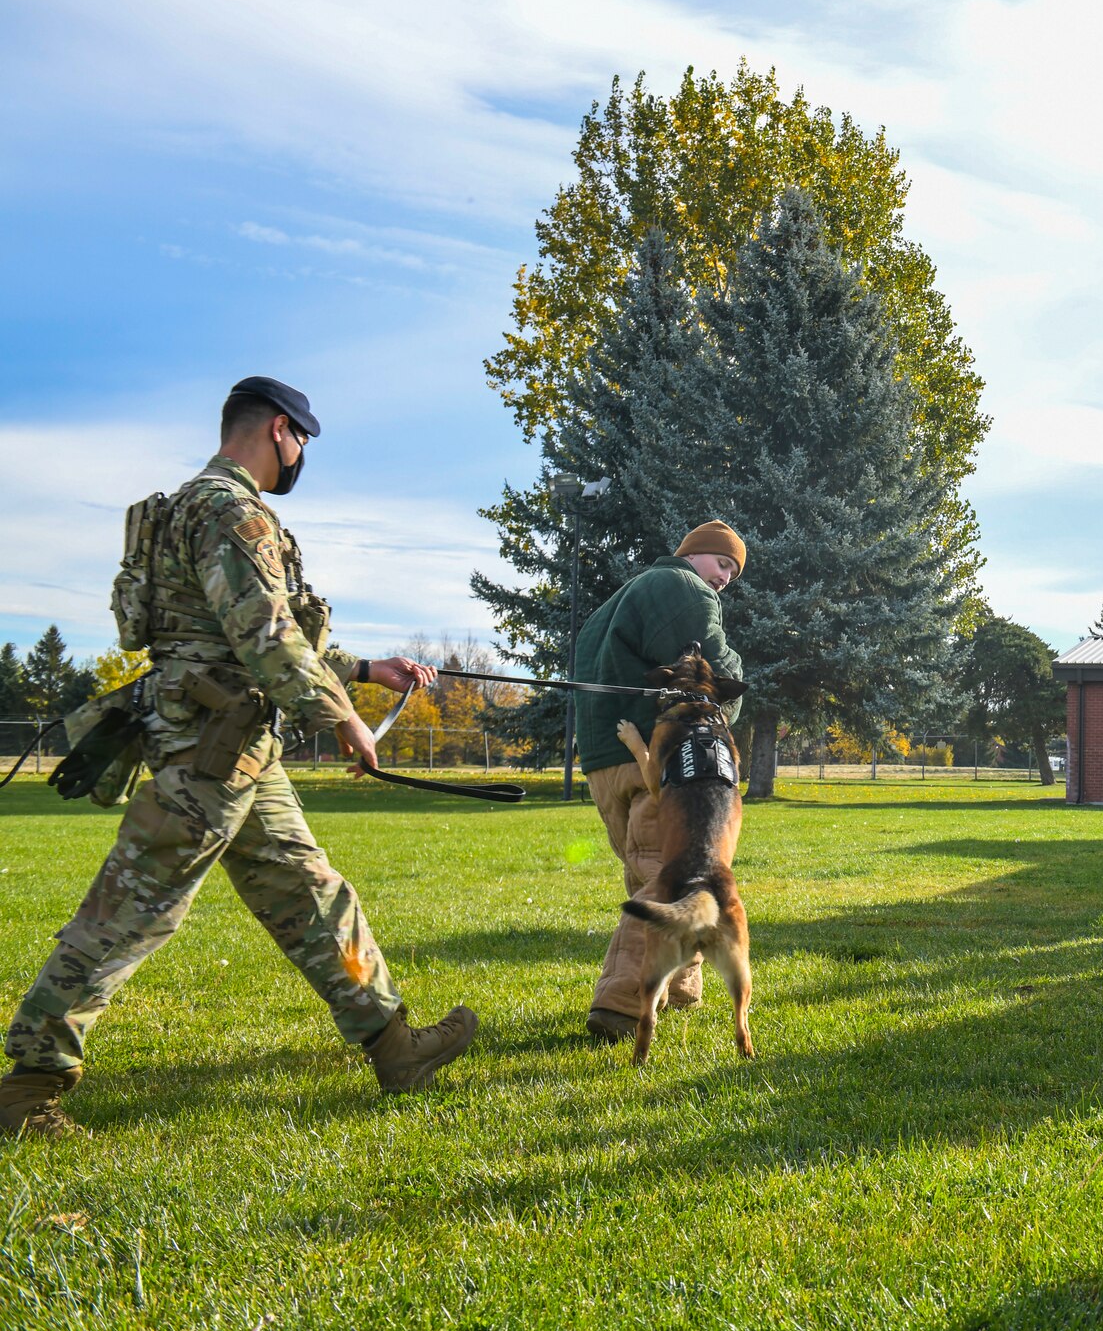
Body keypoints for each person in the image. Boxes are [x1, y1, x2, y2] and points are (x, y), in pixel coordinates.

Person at [0, 379, 477, 1139]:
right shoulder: (231, 509)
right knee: (129, 912)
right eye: (301, 444)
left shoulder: (184, 507)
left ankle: (395, 1047)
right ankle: (28, 1087)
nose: (299, 459)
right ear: (280, 431)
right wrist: (345, 717)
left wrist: (363, 669)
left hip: (234, 745)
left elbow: (246, 629)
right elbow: (267, 639)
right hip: (210, 752)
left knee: (312, 893)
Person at [572, 520, 746, 1044]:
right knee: (670, 875)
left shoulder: (611, 606)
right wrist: (734, 674)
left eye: (734, 573)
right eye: (723, 564)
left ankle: (682, 988)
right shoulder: (684, 591)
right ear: (695, 555)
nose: (725, 580)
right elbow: (722, 678)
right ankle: (623, 1006)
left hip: (606, 758)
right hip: (664, 757)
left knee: (646, 870)